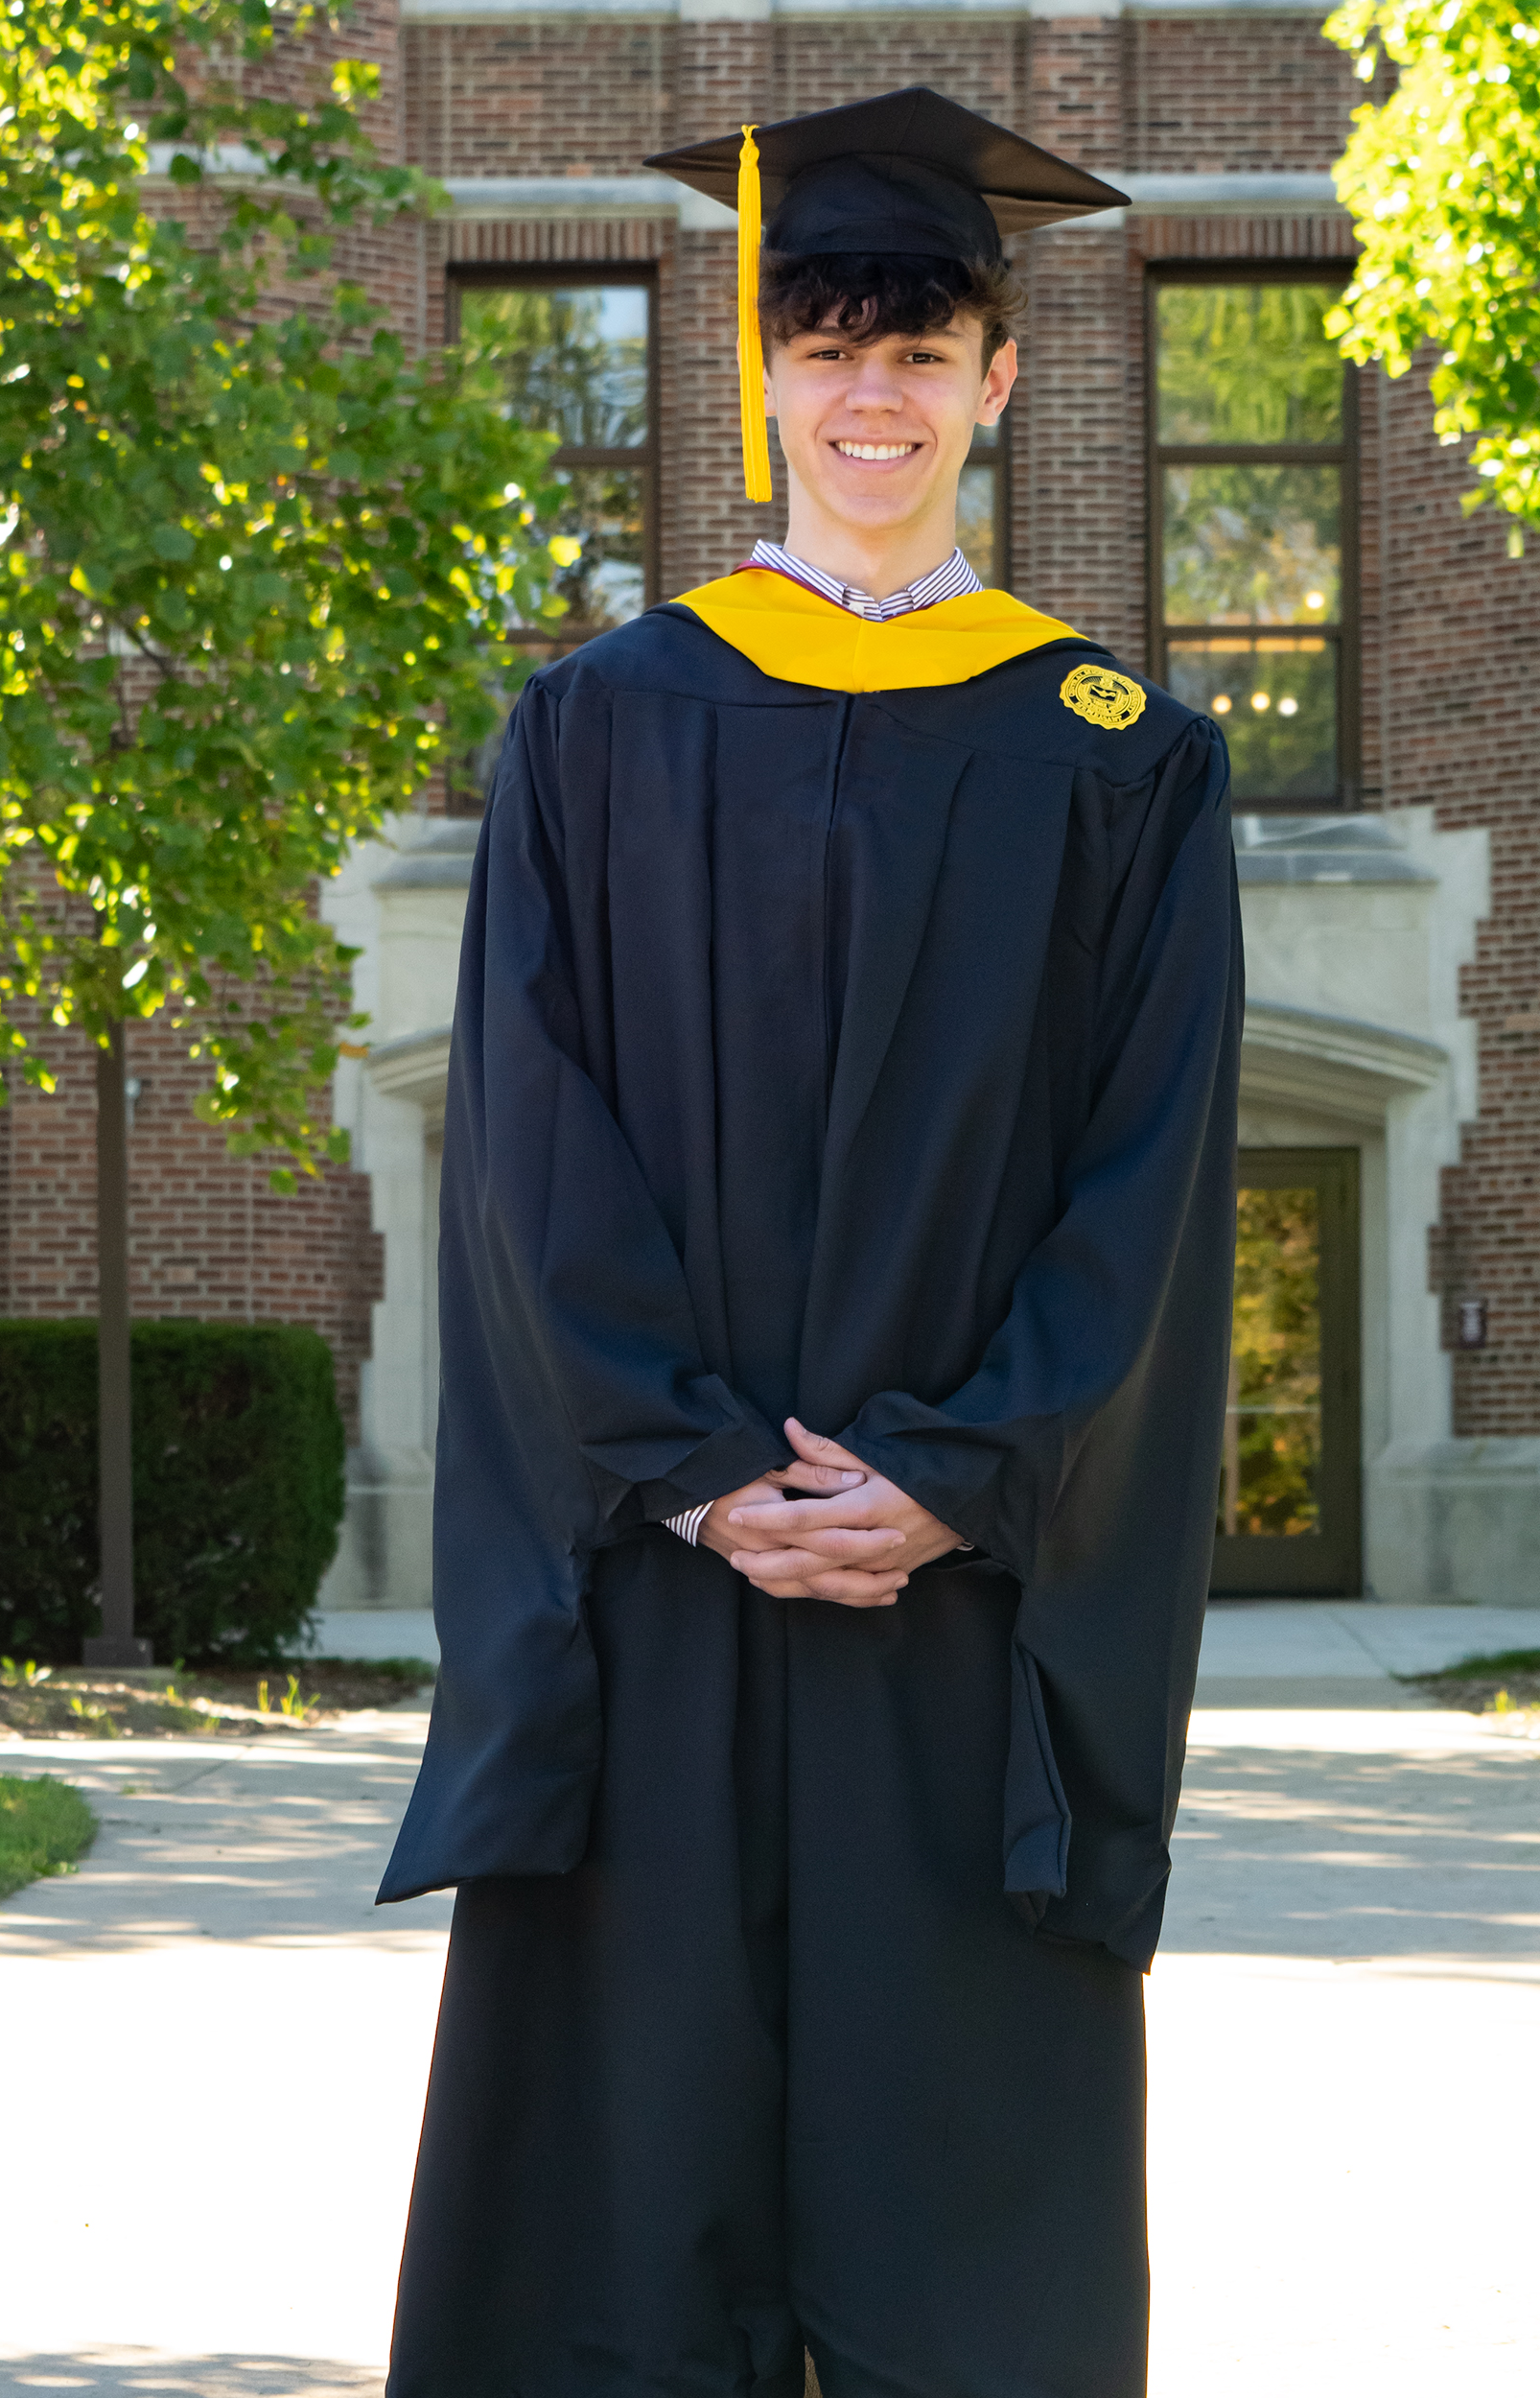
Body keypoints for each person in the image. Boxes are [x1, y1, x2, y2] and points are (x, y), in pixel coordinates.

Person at [381, 85, 1243, 2398]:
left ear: (999, 378)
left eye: (919, 341)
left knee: (963, 2242)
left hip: (952, 1614)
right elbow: (528, 1151)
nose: (870, 390)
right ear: (757, 371)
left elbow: (1147, 1183)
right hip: (664, 1588)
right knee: (625, 2238)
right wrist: (684, 1458)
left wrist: (957, 1475)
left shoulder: (1120, 760)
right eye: (825, 339)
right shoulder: (595, 729)